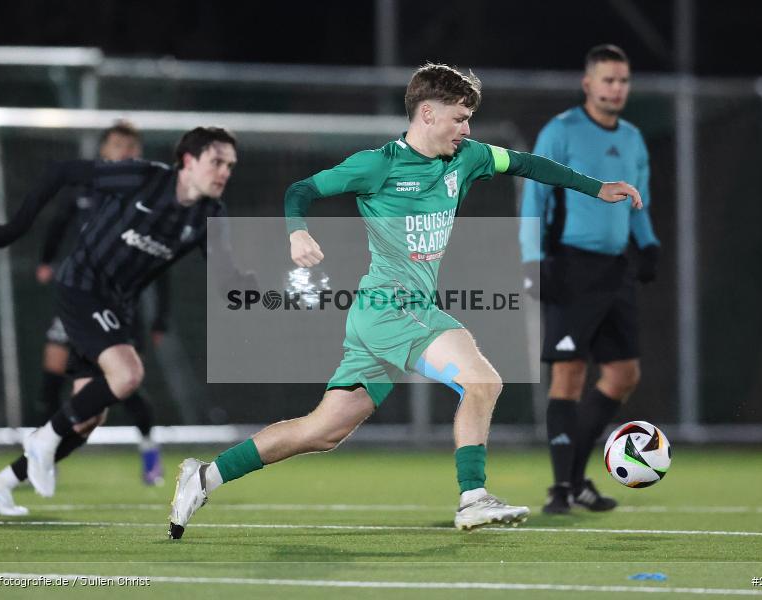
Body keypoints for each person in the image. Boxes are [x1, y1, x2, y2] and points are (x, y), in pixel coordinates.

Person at [167, 63, 643, 539]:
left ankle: (205, 476)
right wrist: (298, 233)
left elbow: (528, 164)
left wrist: (596, 188)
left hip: (392, 314)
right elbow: (302, 190)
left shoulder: (468, 158)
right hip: (390, 309)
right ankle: (473, 497)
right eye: (460, 119)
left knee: (322, 431)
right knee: (482, 380)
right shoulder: (379, 165)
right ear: (428, 114)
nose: (467, 130)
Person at [0, 127, 255, 516]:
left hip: (117, 307)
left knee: (87, 419)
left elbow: (225, 279)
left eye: (230, 165)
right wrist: (11, 231)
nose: (224, 172)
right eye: (217, 162)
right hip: (81, 287)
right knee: (127, 374)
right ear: (188, 161)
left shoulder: (211, 214)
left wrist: (257, 287)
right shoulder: (143, 177)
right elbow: (60, 172)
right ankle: (42, 439)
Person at [519, 45, 660, 515]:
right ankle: (561, 488)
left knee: (623, 376)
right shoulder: (560, 131)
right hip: (569, 265)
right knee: (569, 374)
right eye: (608, 80)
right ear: (588, 84)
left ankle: (576, 480)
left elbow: (639, 204)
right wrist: (532, 260)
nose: (616, 88)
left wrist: (648, 245)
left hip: (615, 269)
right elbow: (534, 199)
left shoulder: (634, 138)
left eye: (623, 81)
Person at [33, 121, 167, 487]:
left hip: (119, 304)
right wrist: (46, 260)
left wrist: (161, 318)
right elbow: (58, 222)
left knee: (125, 383)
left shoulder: (148, 199)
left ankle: (149, 451)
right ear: (104, 150)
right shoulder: (87, 188)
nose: (126, 151)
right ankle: (45, 455)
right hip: (78, 297)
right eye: (119, 144)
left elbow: (162, 259)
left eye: (132, 146)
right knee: (51, 376)